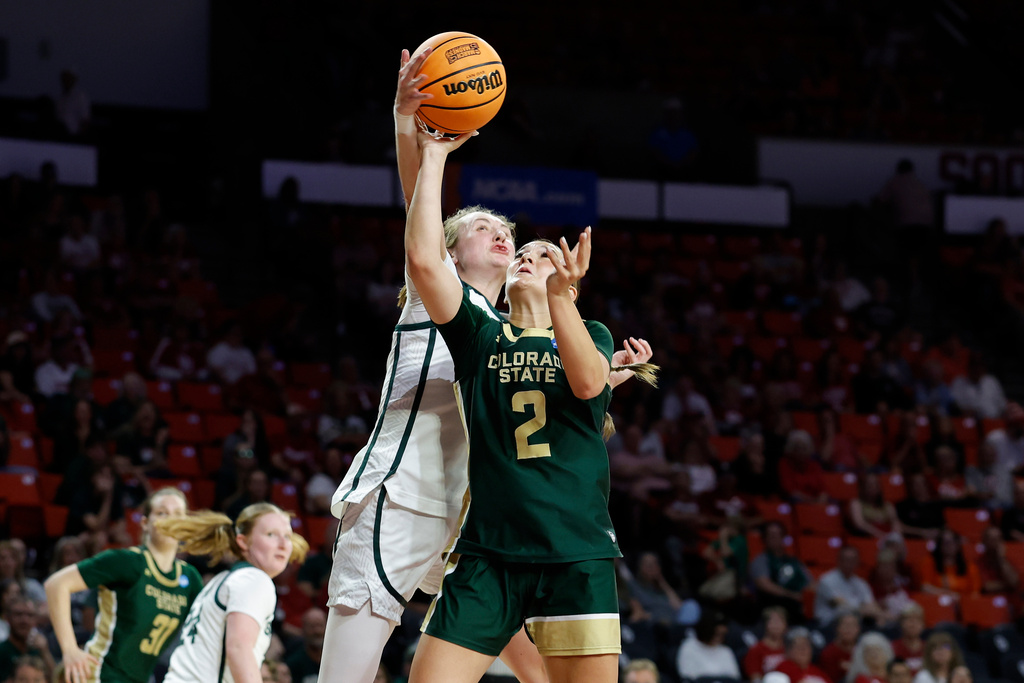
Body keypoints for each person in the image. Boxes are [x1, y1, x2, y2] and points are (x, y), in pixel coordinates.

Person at [318, 47, 653, 683]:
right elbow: (419, 214)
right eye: (480, 227)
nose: (502, 233)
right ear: (450, 247)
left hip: (474, 514)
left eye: (510, 229)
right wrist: (409, 128)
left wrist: (611, 377)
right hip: (403, 495)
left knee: (533, 669)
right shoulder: (445, 300)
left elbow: (549, 387)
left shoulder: (502, 329)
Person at [402, 124, 655, 683]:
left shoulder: (592, 333)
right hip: (488, 552)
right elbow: (424, 260)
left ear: (568, 281)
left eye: (545, 255)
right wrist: (435, 153)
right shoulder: (480, 333)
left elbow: (589, 384)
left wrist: (563, 298)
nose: (528, 256)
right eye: (525, 251)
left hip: (574, 551)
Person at [45, 488, 202, 683]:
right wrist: (69, 649)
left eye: (178, 514)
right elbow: (56, 584)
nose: (171, 519)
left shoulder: (190, 577)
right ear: (145, 523)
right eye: (162, 513)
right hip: (101, 674)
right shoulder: (125, 561)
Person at [160, 503, 309, 683]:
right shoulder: (253, 579)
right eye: (271, 535)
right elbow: (239, 649)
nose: (284, 544)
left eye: (287, 536)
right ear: (243, 541)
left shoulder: (221, 580)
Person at [749, 521, 814, 622]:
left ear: (783, 537)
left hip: (796, 608)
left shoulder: (794, 561)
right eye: (771, 535)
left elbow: (810, 583)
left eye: (778, 535)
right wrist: (791, 595)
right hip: (772, 607)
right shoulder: (760, 560)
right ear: (764, 539)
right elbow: (764, 584)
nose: (774, 538)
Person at [814, 547, 883, 626]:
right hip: (829, 624)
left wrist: (881, 615)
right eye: (846, 559)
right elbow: (841, 606)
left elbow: (871, 605)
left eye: (853, 560)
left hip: (856, 624)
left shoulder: (861, 583)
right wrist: (864, 610)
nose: (849, 563)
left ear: (857, 562)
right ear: (839, 561)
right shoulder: (827, 580)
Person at [0, 597, 55, 682]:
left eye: (30, 615)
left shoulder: (39, 650)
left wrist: (45, 652)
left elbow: (56, 679)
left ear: (36, 619)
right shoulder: (2, 651)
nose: (24, 620)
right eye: (18, 614)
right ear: (7, 617)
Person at [675, 611, 741, 680]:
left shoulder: (726, 651)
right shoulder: (689, 647)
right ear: (706, 630)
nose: (719, 638)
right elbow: (687, 676)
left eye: (723, 634)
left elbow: (734, 677)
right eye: (716, 634)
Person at [918, 529, 980, 600]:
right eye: (945, 543)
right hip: (938, 604)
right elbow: (925, 588)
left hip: (965, 604)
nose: (948, 546)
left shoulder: (969, 566)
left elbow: (975, 592)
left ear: (957, 545)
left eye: (952, 543)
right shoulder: (929, 562)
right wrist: (950, 594)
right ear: (939, 545)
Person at [743, 607, 788, 683]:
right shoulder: (756, 649)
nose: (776, 625)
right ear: (765, 624)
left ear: (786, 625)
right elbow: (755, 678)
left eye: (780, 621)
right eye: (773, 622)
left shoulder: (790, 648)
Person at [818, 613, 860, 683]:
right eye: (845, 625)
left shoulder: (863, 650)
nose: (849, 629)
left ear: (858, 629)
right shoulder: (829, 653)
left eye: (852, 625)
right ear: (838, 628)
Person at [890, 604, 925, 675]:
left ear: (923, 625)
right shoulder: (893, 647)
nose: (913, 624)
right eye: (909, 619)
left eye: (917, 619)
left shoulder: (929, 648)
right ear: (901, 623)